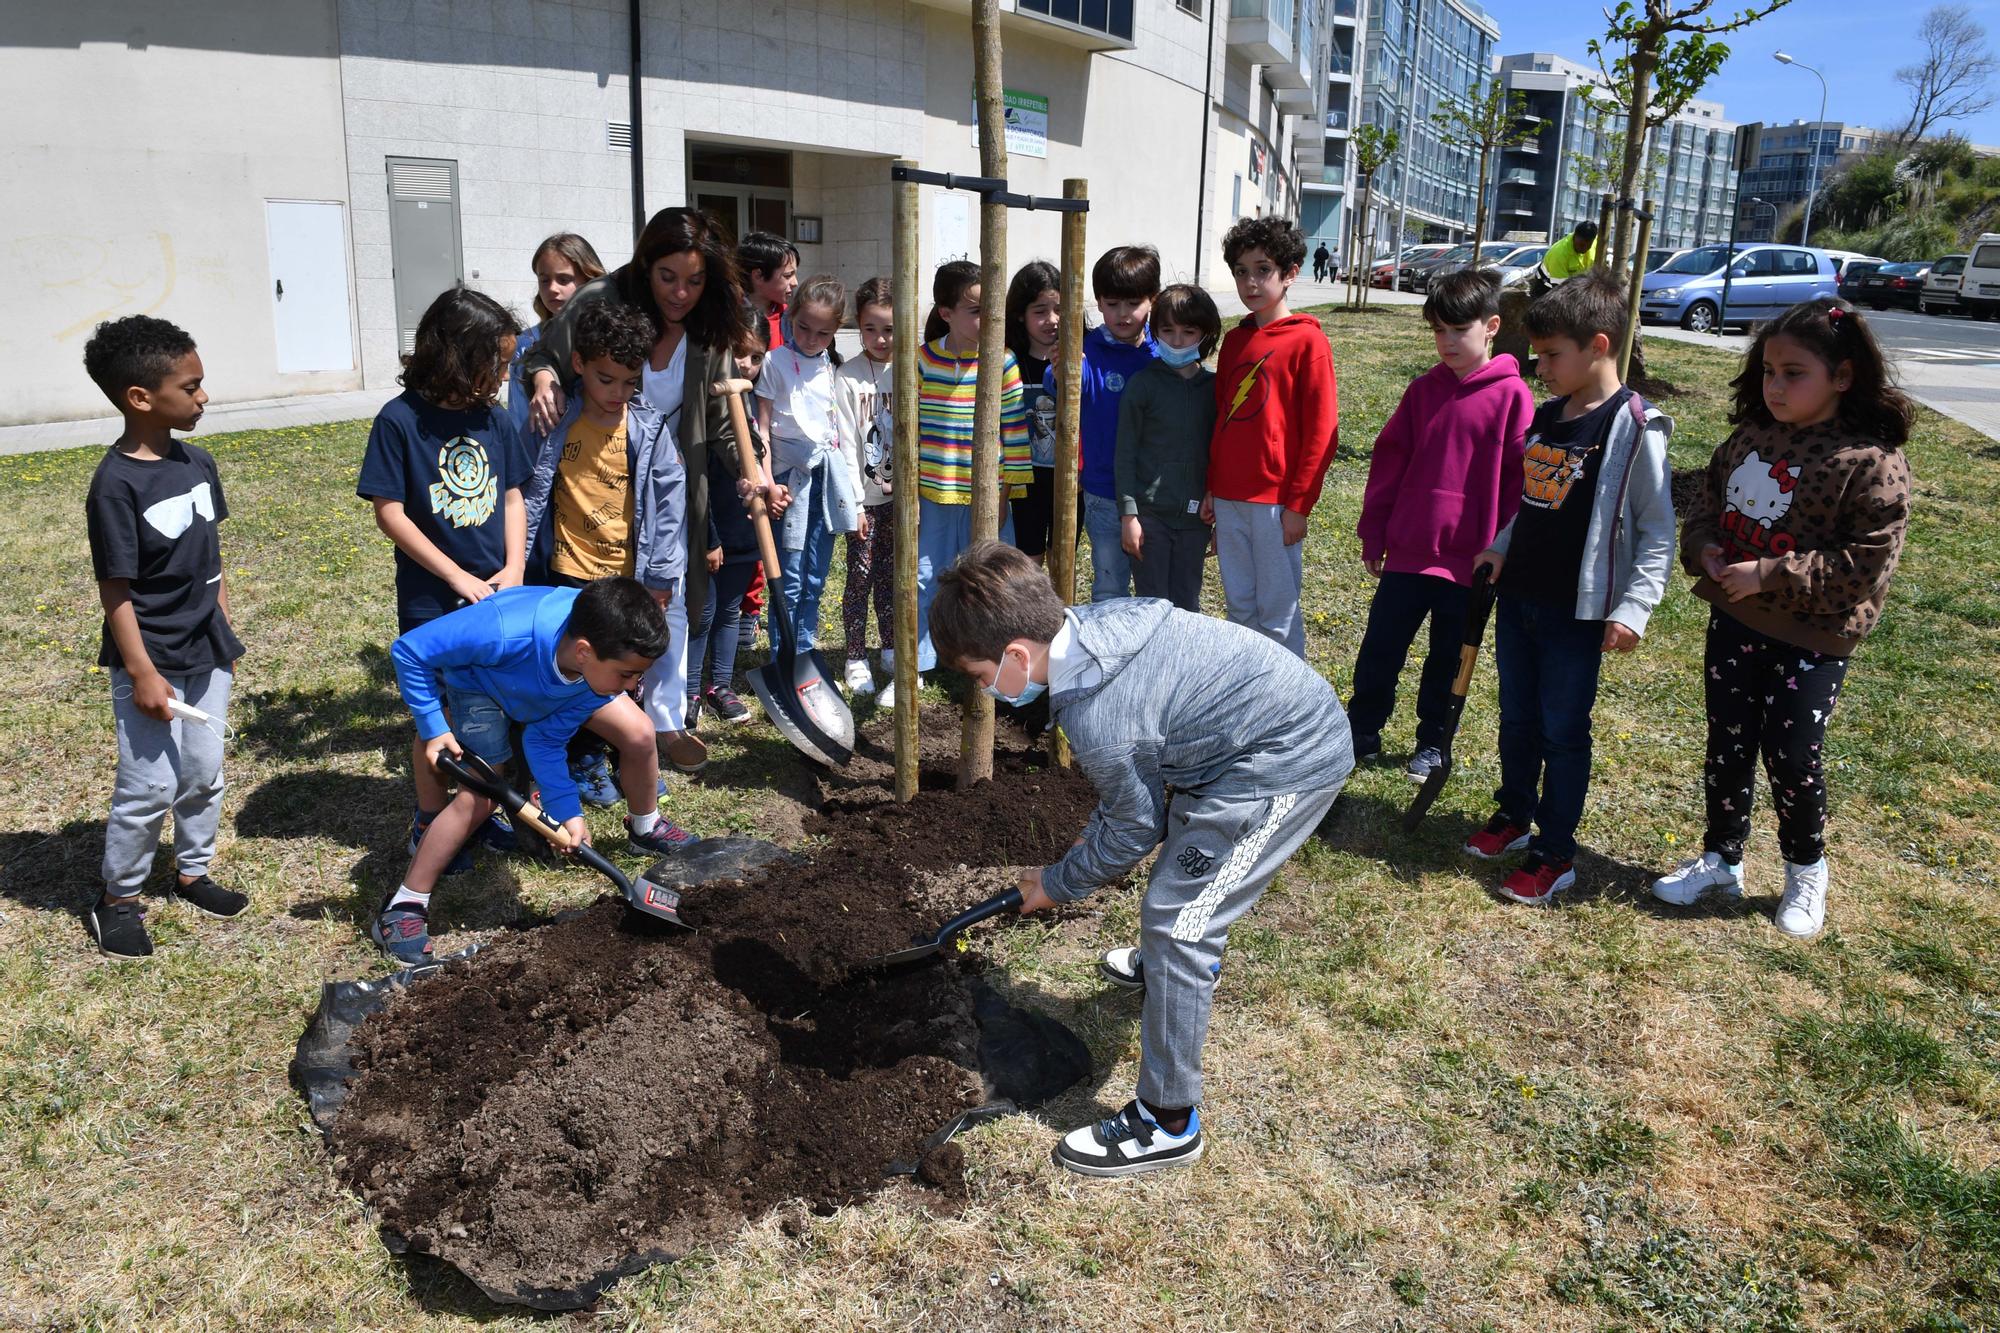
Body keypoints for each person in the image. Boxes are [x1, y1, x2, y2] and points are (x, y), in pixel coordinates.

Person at [928, 542, 1353, 1177]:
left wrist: (1057, 884)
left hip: (1284, 763)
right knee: (1179, 888)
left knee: (1180, 925)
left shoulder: (1102, 716)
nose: (985, 689)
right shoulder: (1099, 630)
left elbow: (1133, 828)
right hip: (1224, 751)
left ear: (1017, 654)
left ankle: (1168, 1120)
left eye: (981, 675)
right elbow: (1139, 783)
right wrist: (1093, 836)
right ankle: (1168, 975)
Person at [1652, 301, 1913, 940]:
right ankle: (1721, 859)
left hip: (1812, 640)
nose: (1774, 386)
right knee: (1728, 744)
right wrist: (1705, 548)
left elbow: (1862, 566)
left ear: (1843, 377)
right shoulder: (1747, 440)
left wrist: (1766, 574)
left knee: (1793, 756)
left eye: (1793, 372)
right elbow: (1706, 508)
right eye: (1768, 370)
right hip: (1737, 624)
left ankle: (1805, 871)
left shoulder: (1870, 462)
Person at [518, 207, 752, 776]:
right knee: (598, 607)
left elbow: (722, 421)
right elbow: (546, 353)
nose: (681, 292)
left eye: (695, 281)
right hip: (600, 475)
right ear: (646, 265)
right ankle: (596, 734)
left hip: (671, 484)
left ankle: (663, 724)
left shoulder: (708, 325)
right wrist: (546, 379)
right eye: (668, 276)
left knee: (666, 596)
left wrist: (752, 473)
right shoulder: (602, 299)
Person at [1466, 271, 1676, 905]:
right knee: (1516, 718)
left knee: (1561, 729)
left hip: (1575, 614)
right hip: (1519, 600)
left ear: (1599, 345)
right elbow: (1533, 502)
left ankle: (1555, 853)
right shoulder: (1547, 417)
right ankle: (1514, 813)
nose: (1539, 366)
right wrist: (1500, 547)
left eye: (1552, 355)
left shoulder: (1635, 426)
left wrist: (1635, 607)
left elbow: (1656, 528)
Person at [374, 579, 671, 964]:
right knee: (481, 796)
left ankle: (646, 827)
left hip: (536, 688)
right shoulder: (502, 630)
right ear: (584, 652)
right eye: (626, 675)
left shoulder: (592, 678)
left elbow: (545, 742)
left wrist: (570, 814)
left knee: (633, 728)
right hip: (478, 681)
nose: (632, 688)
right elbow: (410, 651)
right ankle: (404, 906)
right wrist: (435, 728)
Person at [81, 316, 247, 960]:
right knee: (149, 785)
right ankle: (118, 898)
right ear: (141, 398)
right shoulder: (115, 485)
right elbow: (115, 589)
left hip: (208, 651)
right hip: (150, 657)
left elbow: (212, 555)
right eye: (192, 386)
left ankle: (192, 872)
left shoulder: (197, 461)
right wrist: (143, 671)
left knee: (204, 772)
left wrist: (224, 624)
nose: (204, 397)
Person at [357, 286, 530, 878]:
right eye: (497, 363)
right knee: (438, 716)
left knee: (490, 707)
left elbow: (512, 496)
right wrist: (456, 575)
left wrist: (514, 568)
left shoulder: (495, 419)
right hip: (434, 599)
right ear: (457, 355)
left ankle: (482, 811)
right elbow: (390, 512)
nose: (505, 375)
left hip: (497, 594)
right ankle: (431, 821)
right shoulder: (400, 421)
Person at [518, 299, 701, 850]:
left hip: (627, 580)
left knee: (625, 676)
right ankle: (578, 762)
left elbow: (671, 505)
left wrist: (662, 575)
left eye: (629, 380)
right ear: (578, 364)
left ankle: (627, 761)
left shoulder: (649, 431)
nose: (618, 392)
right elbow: (526, 496)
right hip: (566, 576)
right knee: (573, 676)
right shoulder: (556, 423)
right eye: (606, 379)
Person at [1347, 268, 1533, 780]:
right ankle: (1360, 730)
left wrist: (1500, 547)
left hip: (1470, 562)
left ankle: (1432, 742)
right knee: (1381, 648)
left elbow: (1519, 483)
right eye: (1438, 330)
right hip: (1409, 551)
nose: (1447, 341)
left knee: (1448, 659)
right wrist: (1375, 529)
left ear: (1492, 325)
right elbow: (1389, 463)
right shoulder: (1421, 391)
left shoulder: (1513, 396)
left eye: (1459, 329)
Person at [1204, 216, 1338, 658]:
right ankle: (1248, 701)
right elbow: (1222, 417)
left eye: (1263, 269)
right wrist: (1211, 487)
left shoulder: (1307, 343)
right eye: (1241, 271)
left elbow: (1322, 433)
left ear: (1291, 272)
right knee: (1240, 608)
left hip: (1276, 503)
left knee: (1278, 613)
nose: (1251, 281)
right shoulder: (1235, 340)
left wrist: (1299, 504)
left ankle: (1286, 709)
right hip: (1229, 497)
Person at [913, 260, 1031, 676]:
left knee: (992, 582)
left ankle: (993, 663)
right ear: (946, 313)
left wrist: (1004, 494)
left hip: (988, 495)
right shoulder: (924, 361)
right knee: (927, 579)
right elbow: (910, 434)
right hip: (934, 496)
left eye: (991, 308)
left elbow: (1015, 431)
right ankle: (924, 664)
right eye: (975, 310)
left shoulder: (1003, 361)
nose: (987, 319)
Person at [755, 274, 863, 659]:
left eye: (822, 332)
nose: (811, 339)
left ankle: (804, 651)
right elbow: (762, 429)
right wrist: (767, 481)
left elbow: (840, 431)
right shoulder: (774, 362)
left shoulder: (833, 366)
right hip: (788, 480)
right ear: (791, 316)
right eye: (803, 327)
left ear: (835, 332)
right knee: (790, 574)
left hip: (826, 479)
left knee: (817, 575)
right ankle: (781, 655)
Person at [1114, 283, 1220, 612]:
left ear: (1206, 334)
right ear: (1154, 331)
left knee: (1187, 602)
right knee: (1151, 604)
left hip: (1196, 521)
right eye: (1167, 330)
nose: (1176, 341)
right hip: (1149, 517)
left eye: (1188, 331)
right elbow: (1125, 453)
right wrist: (1129, 515)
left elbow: (1222, 454)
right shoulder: (1142, 385)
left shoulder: (1216, 389)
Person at [687, 331, 775, 727]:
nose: (746, 365)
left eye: (755, 357)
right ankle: (688, 689)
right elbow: (695, 485)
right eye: (738, 354)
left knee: (729, 611)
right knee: (702, 615)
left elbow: (753, 465)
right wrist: (710, 540)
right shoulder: (704, 417)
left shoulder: (750, 411)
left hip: (741, 533)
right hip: (710, 532)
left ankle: (719, 685)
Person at [1070, 245, 1161, 603]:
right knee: (1109, 586)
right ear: (1098, 301)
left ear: (1152, 299)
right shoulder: (1088, 351)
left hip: (1155, 494)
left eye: (1133, 303)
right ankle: (1111, 658)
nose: (1122, 314)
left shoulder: (1163, 352)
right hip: (1104, 491)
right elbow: (1060, 380)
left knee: (1156, 588)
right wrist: (1063, 371)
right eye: (1111, 304)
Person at [837, 277, 899, 701]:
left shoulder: (910, 370)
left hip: (903, 500)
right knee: (860, 576)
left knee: (894, 578)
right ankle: (856, 654)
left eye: (889, 329)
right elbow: (844, 443)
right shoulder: (848, 377)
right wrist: (854, 504)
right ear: (858, 327)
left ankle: (893, 646)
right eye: (870, 328)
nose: (879, 338)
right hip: (866, 500)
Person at [505, 232, 604, 439]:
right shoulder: (524, 343)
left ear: (589, 280)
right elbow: (518, 418)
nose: (552, 289)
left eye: (564, 279)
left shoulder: (609, 337)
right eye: (544, 280)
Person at [1005, 261, 1063, 567]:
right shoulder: (1007, 360)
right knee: (1028, 558)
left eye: (1058, 309)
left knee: (1062, 556)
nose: (1052, 320)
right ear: (1019, 313)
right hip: (1025, 477)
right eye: (1040, 311)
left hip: (1068, 477)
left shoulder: (1080, 358)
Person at [739, 229, 800, 351]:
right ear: (758, 276)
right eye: (787, 276)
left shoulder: (791, 318)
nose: (795, 283)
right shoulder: (730, 317)